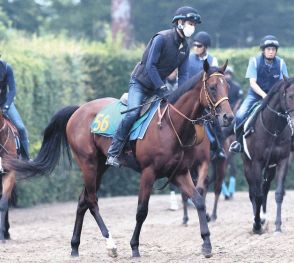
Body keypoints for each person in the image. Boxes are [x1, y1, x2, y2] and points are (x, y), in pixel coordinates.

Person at [106, 6, 202, 167]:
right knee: (133, 113)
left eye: (194, 24)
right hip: (140, 84)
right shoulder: (161, 38)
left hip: (158, 87)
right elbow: (151, 67)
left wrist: (182, 95)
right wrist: (162, 88)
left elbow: (183, 75)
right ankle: (113, 152)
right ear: (179, 22)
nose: (192, 27)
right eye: (189, 23)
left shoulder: (185, 47)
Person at [229, 35, 289, 153]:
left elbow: (283, 83)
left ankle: (289, 142)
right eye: (268, 49)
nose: (271, 52)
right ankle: (239, 142)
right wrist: (263, 95)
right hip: (255, 95)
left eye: (273, 49)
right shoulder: (254, 61)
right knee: (240, 115)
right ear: (263, 50)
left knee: (290, 113)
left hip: (274, 96)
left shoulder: (281, 63)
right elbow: (252, 83)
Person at [188, 31, 225, 159]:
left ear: (206, 47)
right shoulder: (188, 58)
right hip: (189, 94)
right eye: (194, 45)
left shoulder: (212, 60)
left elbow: (213, 81)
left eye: (199, 46)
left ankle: (219, 147)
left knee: (217, 119)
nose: (196, 48)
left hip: (205, 96)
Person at [0, 60, 30, 159]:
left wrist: (6, 106)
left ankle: (26, 159)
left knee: (20, 128)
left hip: (5, 103)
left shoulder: (7, 68)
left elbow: (12, 91)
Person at [221, 66, 243, 199]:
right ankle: (223, 188)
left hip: (233, 117)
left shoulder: (236, 87)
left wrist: (234, 111)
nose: (227, 75)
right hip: (223, 117)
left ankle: (240, 141)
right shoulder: (222, 86)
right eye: (226, 73)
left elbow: (240, 100)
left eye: (229, 73)